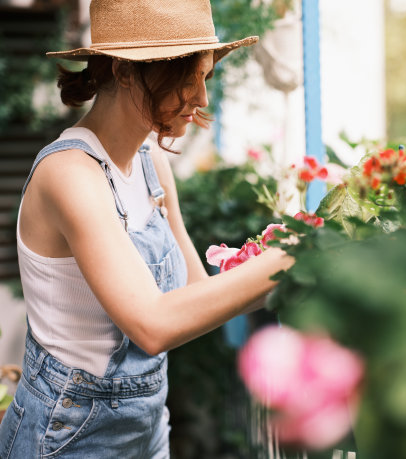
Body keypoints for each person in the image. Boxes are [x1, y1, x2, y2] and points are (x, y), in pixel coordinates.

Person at [0, 0, 293, 457]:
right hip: (67, 433)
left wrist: (292, 262)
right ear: (123, 69)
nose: (201, 99)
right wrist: (287, 258)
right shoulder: (70, 174)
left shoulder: (150, 161)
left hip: (149, 425)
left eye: (205, 76)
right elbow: (153, 325)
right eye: (185, 78)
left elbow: (195, 293)